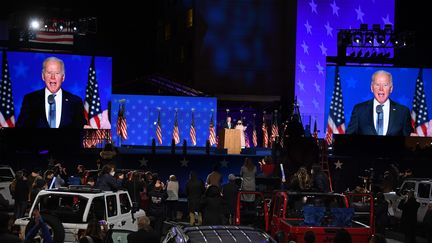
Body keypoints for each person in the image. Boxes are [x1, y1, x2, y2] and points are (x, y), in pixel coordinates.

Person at [16, 56, 86, 129]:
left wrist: (87, 131)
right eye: (49, 73)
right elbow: (20, 129)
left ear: (63, 77)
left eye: (57, 73)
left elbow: (81, 129)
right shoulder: (30, 100)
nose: (53, 77)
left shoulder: (75, 102)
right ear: (43, 76)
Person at [346, 70, 412, 136]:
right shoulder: (359, 110)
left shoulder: (403, 112)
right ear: (372, 88)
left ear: (391, 88)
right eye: (377, 85)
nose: (381, 89)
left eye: (385, 85)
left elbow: (408, 141)